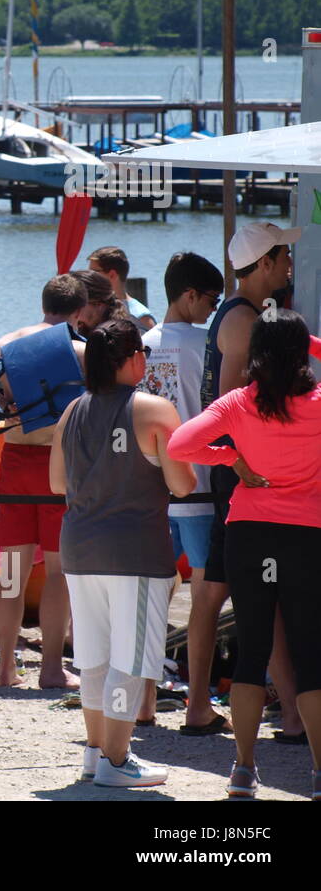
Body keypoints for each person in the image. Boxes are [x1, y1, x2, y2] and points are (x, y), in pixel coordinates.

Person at [169, 310, 321, 799]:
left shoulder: (239, 402)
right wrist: (305, 342)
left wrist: (229, 457)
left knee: (253, 650)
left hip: (250, 532)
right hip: (306, 536)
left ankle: (243, 768)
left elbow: (180, 444)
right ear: (302, 355)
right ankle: (319, 772)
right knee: (311, 653)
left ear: (256, 355)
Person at [49, 319, 196, 787]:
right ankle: (116, 758)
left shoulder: (71, 410)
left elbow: (57, 483)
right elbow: (183, 483)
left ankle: (97, 754)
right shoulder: (155, 409)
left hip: (79, 546)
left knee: (93, 659)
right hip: (133, 551)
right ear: (131, 358)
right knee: (130, 664)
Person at [0, 274, 87, 689]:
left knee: (11, 572)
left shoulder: (10, 341)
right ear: (80, 312)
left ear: (43, 304)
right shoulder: (81, 349)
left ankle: (7, 669)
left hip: (14, 459)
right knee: (57, 571)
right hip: (59, 465)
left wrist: (2, 404)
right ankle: (50, 668)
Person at [201, 221, 304, 742]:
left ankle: (211, 702)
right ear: (264, 263)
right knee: (268, 595)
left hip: (243, 475)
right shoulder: (243, 320)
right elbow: (226, 405)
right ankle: (290, 711)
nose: (290, 263)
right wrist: (243, 466)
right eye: (284, 254)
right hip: (245, 478)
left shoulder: (240, 313)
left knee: (228, 589)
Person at [137, 251, 228, 733]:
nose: (214, 310)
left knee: (150, 597)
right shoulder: (208, 344)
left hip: (152, 489)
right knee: (205, 604)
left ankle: (144, 703)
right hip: (200, 484)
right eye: (211, 300)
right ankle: (197, 705)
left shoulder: (142, 343)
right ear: (189, 295)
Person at [88, 245, 156, 330]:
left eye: (94, 272)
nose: (89, 276)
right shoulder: (93, 310)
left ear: (112, 275)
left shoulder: (140, 317)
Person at [68, 268, 124, 336]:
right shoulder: (80, 330)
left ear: (99, 304)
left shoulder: (121, 334)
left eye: (75, 304)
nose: (69, 311)